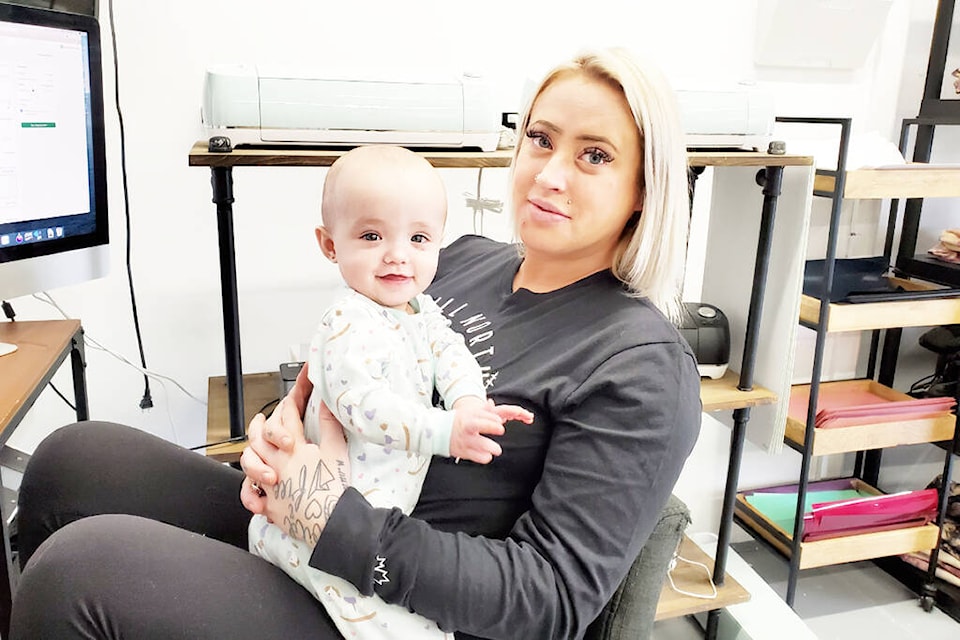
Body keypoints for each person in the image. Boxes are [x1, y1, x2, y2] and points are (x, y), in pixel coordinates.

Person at [10, 46, 701, 640]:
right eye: (541, 140)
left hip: (391, 612)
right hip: (309, 516)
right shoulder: (461, 257)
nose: (551, 174)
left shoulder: (640, 366)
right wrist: (282, 430)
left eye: (594, 156)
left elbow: (550, 600)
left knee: (80, 573)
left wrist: (327, 518)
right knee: (71, 462)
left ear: (644, 187)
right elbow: (344, 365)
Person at [249, 144, 533, 639]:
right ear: (330, 244)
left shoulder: (421, 312)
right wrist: (446, 432)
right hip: (324, 513)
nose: (398, 254)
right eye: (372, 235)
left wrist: (468, 402)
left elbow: (452, 354)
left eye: (419, 237)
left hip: (370, 519)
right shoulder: (347, 321)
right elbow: (362, 407)